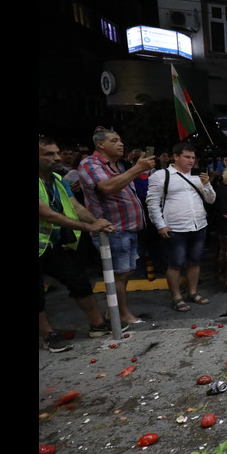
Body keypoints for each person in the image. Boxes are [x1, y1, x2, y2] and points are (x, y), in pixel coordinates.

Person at [39, 136, 118, 352]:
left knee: (79, 282)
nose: (56, 157)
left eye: (56, 153)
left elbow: (76, 206)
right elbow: (47, 215)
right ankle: (49, 336)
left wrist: (96, 222)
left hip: (51, 245)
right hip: (43, 245)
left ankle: (97, 325)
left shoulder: (57, 178)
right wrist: (89, 228)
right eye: (49, 154)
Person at [77, 127, 157, 325]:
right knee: (119, 274)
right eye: (114, 140)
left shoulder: (119, 165)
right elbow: (107, 187)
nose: (120, 144)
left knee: (126, 271)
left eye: (120, 140)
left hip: (129, 227)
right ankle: (121, 314)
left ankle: (112, 312)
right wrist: (137, 168)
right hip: (113, 229)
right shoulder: (90, 164)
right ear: (100, 144)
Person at [146, 142, 217, 311]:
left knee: (194, 261)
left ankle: (192, 292)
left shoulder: (197, 176)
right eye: (187, 157)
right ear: (175, 156)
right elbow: (152, 203)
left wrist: (207, 185)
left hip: (199, 225)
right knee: (175, 263)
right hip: (176, 228)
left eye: (193, 157)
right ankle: (177, 297)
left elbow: (211, 199)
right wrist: (160, 225)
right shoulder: (161, 176)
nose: (191, 160)